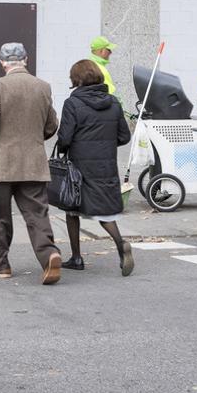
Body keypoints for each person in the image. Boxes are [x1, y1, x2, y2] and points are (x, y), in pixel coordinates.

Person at [0, 42, 65, 286]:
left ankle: (1, 266)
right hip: (33, 163)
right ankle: (49, 255)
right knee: (37, 215)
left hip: (2, 165)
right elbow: (51, 126)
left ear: (3, 63)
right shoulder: (42, 87)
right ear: (26, 59)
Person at [55, 59, 134, 276]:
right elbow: (124, 136)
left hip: (80, 165)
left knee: (72, 208)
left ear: (76, 79)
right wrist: (105, 144)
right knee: (104, 212)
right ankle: (120, 244)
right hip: (106, 165)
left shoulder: (72, 103)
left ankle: (77, 257)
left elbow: (65, 139)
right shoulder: (114, 102)